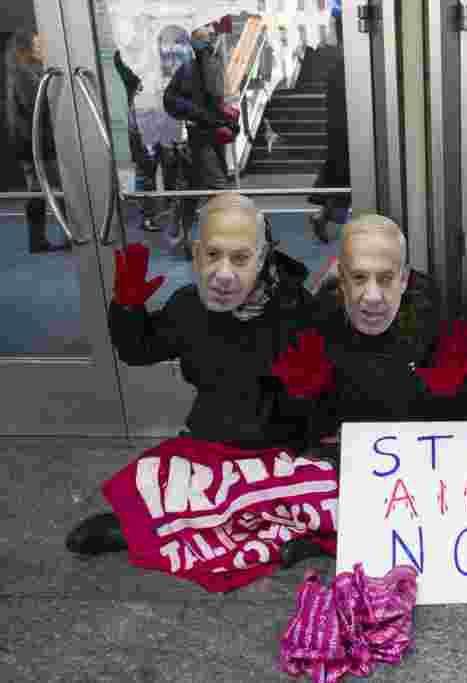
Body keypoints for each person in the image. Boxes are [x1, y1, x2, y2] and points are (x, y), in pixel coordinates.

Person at [65, 192, 314, 558]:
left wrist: (310, 388)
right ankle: (240, 527)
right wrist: (128, 308)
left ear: (263, 258)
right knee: (153, 485)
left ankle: (272, 526)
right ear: (197, 254)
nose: (223, 274)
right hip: (209, 442)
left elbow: (327, 392)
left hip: (277, 445)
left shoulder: (297, 309)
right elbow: (139, 351)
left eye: (241, 258)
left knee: (309, 487)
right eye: (212, 255)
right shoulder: (188, 306)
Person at [270, 214, 467, 565]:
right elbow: (300, 425)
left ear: (403, 279)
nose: (371, 297)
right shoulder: (318, 318)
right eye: (358, 278)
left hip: (411, 452)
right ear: (341, 280)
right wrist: (305, 400)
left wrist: (449, 394)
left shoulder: (434, 316)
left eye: (385, 280)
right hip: (346, 449)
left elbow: (462, 421)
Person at [163, 24, 240, 257]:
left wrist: (225, 119)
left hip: (207, 137)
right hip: (199, 139)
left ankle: (186, 240)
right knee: (219, 192)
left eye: (210, 38)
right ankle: (223, 243)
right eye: (206, 39)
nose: (210, 43)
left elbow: (216, 101)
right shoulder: (192, 69)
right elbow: (172, 100)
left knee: (192, 191)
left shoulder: (208, 66)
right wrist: (200, 115)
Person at [5, 29, 70, 253]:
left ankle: (38, 239)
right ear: (25, 49)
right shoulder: (23, 74)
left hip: (30, 142)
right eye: (37, 44)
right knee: (58, 188)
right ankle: (69, 233)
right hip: (36, 143)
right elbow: (37, 106)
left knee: (40, 191)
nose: (41, 48)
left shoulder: (21, 72)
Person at [308, 43, 350, 243]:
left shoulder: (336, 69)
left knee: (340, 179)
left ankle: (325, 216)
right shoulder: (349, 68)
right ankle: (330, 221)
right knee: (346, 180)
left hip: (336, 130)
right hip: (347, 130)